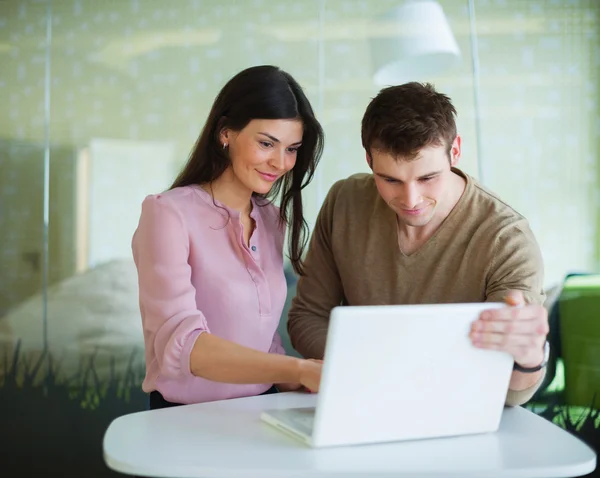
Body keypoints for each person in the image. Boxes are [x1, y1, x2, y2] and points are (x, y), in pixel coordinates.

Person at [287, 82, 549, 407]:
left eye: (427, 178)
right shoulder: (345, 202)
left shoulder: (506, 239)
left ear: (455, 152)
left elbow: (513, 393)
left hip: (459, 414)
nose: (411, 200)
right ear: (369, 160)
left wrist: (529, 357)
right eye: (390, 180)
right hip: (363, 402)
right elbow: (306, 318)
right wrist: (377, 368)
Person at [132, 65, 324, 409]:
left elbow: (260, 337)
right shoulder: (168, 214)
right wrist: (299, 367)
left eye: (292, 148)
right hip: (186, 420)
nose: (281, 163)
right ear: (225, 133)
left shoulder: (270, 218)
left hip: (262, 410)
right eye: (267, 143)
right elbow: (187, 346)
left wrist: (306, 379)